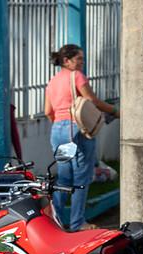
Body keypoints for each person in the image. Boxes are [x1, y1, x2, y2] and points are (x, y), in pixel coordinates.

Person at [44, 44, 119, 231]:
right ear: (66, 61)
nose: (82, 63)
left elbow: (47, 111)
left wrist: (61, 123)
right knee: (81, 178)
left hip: (58, 131)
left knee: (63, 179)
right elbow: (92, 100)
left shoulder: (52, 81)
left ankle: (57, 222)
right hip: (76, 131)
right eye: (79, 59)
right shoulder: (76, 76)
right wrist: (115, 111)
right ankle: (78, 222)